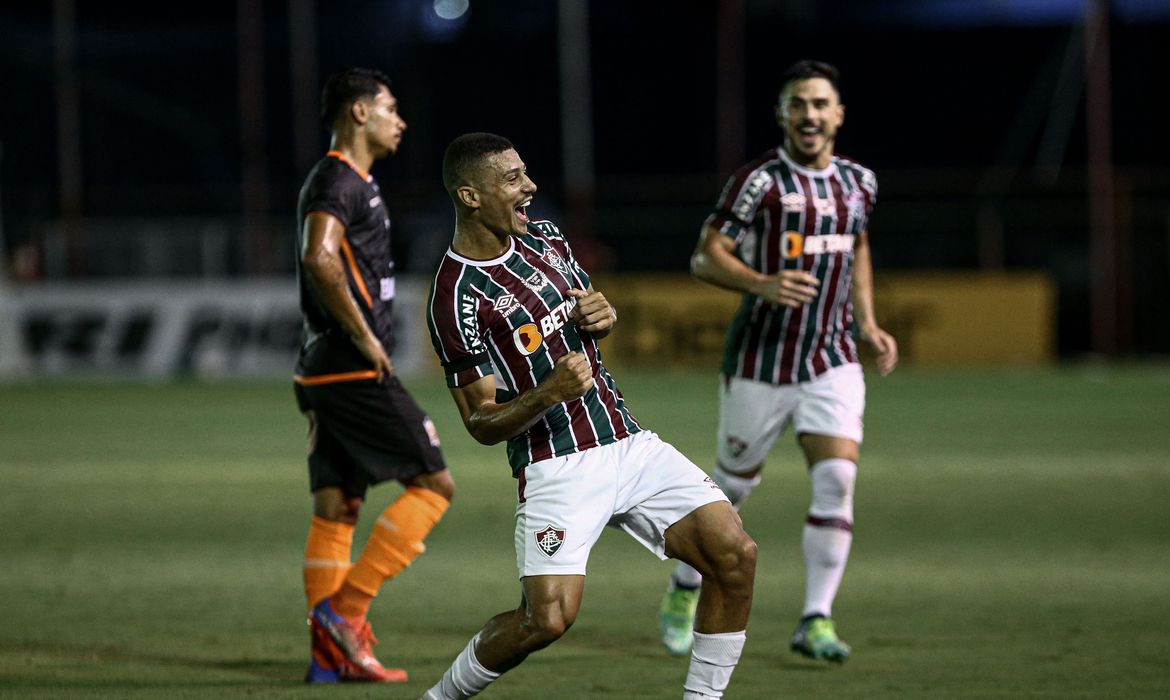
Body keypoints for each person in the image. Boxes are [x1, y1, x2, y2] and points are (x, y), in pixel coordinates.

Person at [421, 133, 757, 700]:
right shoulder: (453, 297)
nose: (529, 186)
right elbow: (480, 423)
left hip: (625, 440)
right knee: (545, 621)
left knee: (734, 554)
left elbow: (588, 310)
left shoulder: (547, 238)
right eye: (511, 178)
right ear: (470, 195)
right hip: (556, 465)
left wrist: (601, 315)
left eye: (525, 172)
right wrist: (547, 393)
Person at [657, 59, 898, 663]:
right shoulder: (759, 182)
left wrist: (866, 322)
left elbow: (860, 244)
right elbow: (705, 258)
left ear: (838, 114)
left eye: (820, 104)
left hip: (833, 357)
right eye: (798, 104)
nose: (810, 115)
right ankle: (687, 583)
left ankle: (815, 618)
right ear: (783, 114)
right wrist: (762, 283)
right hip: (762, 359)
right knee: (732, 488)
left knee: (838, 479)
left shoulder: (860, 182)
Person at [292, 67, 454, 684]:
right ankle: (345, 614)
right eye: (390, 107)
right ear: (360, 113)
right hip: (350, 365)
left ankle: (329, 662)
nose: (400, 120)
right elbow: (318, 255)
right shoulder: (339, 179)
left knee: (337, 506)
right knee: (435, 486)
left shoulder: (356, 182)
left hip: (322, 369)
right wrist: (363, 335)